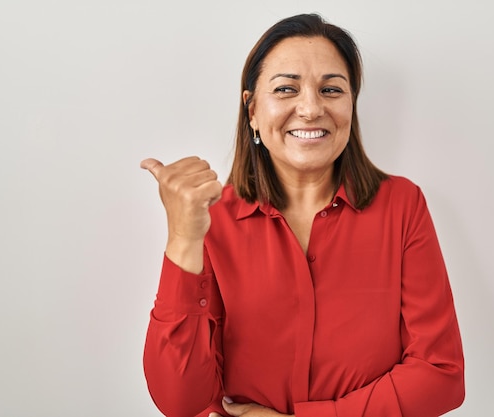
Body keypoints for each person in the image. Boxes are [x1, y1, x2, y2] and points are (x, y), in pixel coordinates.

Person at [140, 13, 465, 417]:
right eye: (286, 89)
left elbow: (441, 374)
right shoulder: (211, 220)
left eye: (331, 89)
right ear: (252, 110)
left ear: (351, 105)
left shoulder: (402, 205)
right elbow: (179, 401)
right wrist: (182, 238)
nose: (311, 109)